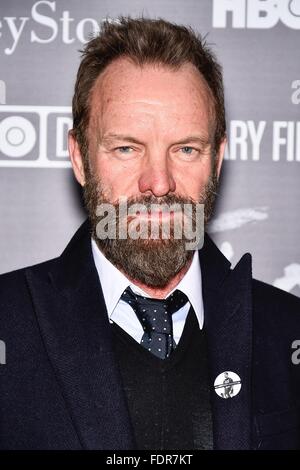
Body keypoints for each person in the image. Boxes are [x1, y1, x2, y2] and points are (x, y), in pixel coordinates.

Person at [0, 16, 300, 451]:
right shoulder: (9, 321)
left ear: (216, 161)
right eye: (126, 148)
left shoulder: (288, 331)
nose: (158, 182)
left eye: (186, 149)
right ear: (80, 158)